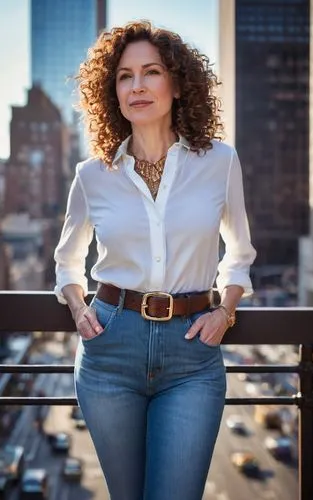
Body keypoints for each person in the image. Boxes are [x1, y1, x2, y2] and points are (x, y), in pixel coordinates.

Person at [54, 20, 256, 500]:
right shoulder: (91, 175)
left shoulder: (220, 162)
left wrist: (225, 312)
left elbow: (240, 253)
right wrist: (79, 308)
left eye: (151, 72)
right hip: (109, 351)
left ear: (178, 83)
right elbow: (67, 261)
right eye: (125, 76)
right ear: (113, 92)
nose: (137, 86)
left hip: (192, 355)